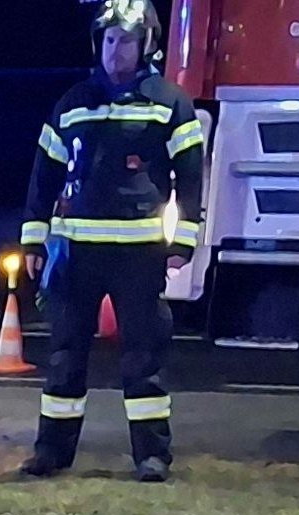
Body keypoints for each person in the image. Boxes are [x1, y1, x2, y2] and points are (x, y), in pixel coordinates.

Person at [18, 0, 207, 484]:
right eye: (107, 40)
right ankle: (52, 453)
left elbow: (190, 178)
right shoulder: (73, 102)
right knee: (64, 356)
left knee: (143, 359)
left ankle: (152, 455)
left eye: (124, 41)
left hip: (140, 256)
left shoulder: (169, 103)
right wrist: (34, 241)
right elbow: (44, 177)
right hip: (79, 253)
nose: (114, 51)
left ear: (145, 45)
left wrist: (183, 240)